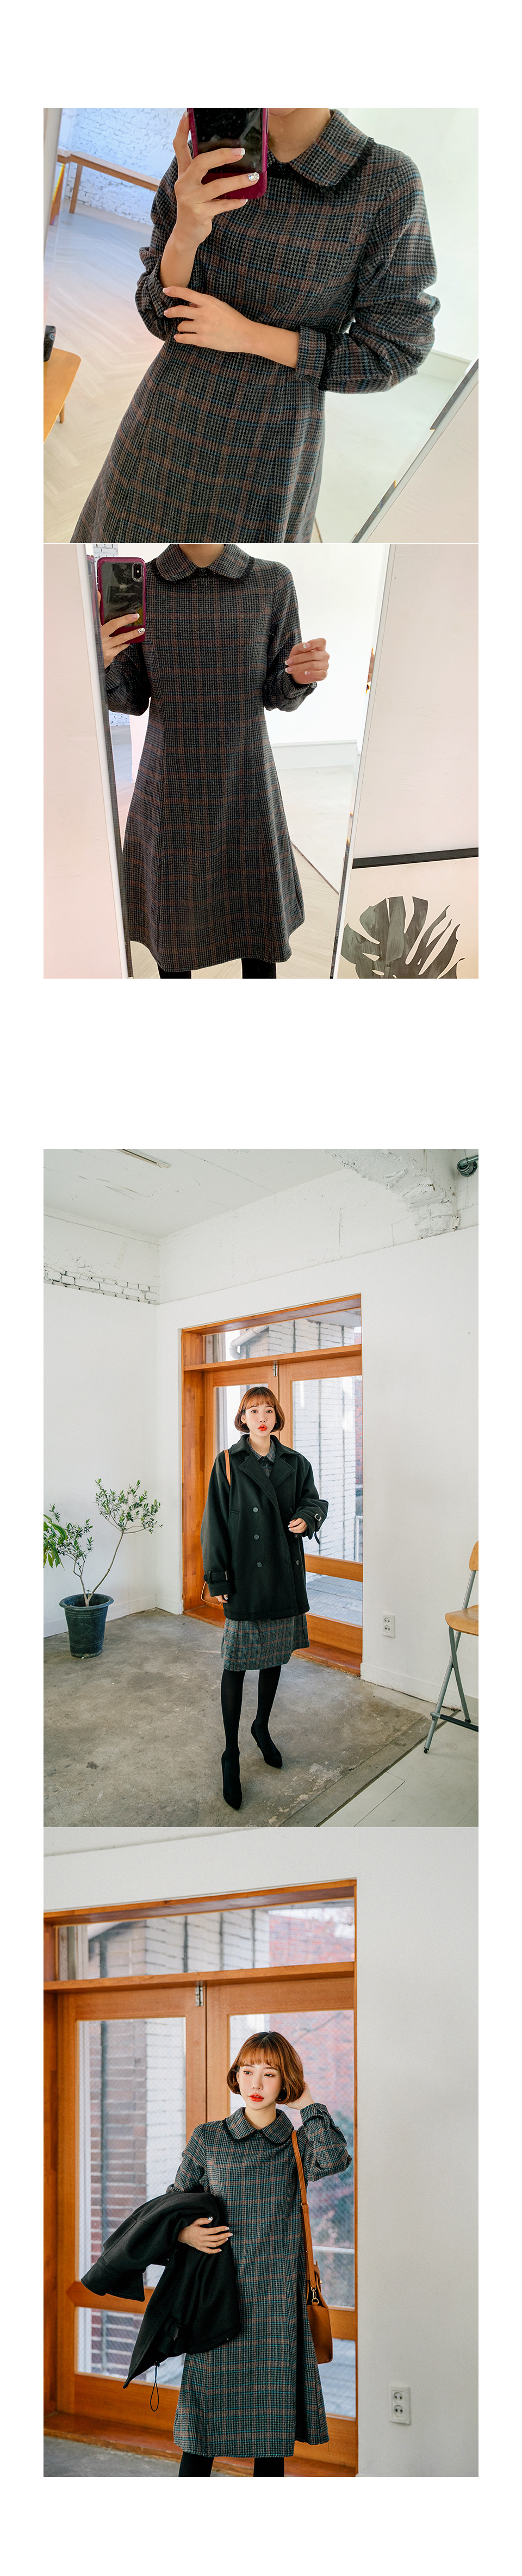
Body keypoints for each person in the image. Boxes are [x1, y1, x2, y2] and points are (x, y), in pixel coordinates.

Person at [72, 107, 439, 544]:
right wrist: (186, 232)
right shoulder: (208, 155)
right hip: (165, 423)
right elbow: (158, 313)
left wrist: (248, 336)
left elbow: (394, 351)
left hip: (272, 446)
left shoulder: (385, 182)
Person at [101, 542, 328, 976]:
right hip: (170, 787)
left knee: (257, 933)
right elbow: (132, 698)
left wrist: (299, 677)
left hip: (247, 782)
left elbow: (276, 695)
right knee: (174, 938)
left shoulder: (272, 581)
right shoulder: (139, 586)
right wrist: (103, 660)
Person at [173, 2027, 350, 2474]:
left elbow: (335, 2159)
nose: (256, 2083)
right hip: (216, 2298)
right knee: (201, 2434)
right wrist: (186, 2235)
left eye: (270, 2074)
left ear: (285, 2081)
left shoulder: (299, 2142)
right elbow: (173, 2203)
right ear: (236, 2076)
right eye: (248, 2071)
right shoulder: (209, 2138)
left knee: (270, 2440)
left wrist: (308, 2102)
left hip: (276, 2303)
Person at [201, 1385, 327, 1807]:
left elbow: (314, 1501)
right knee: (236, 1664)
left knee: (275, 1658)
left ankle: (262, 1727)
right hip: (245, 1578)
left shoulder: (296, 1462)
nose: (261, 1417)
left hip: (283, 1575)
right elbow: (214, 1523)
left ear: (277, 1417)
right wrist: (217, 1579)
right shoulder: (228, 1462)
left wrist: (308, 1517)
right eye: (253, 1411)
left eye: (268, 1410)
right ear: (242, 1418)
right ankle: (231, 1754)